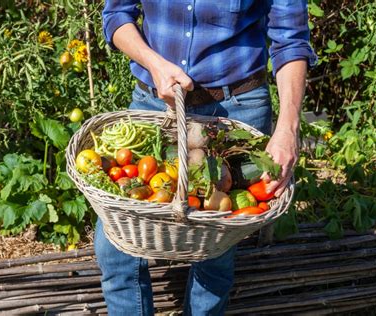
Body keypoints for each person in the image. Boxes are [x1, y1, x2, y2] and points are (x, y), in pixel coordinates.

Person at [95, 1, 317, 315]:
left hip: (236, 110)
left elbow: (290, 40)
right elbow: (116, 15)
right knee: (116, 245)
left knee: (216, 249)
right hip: (157, 105)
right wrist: (154, 64)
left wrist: (288, 129)